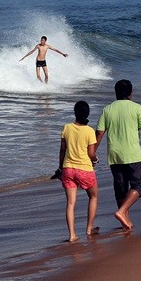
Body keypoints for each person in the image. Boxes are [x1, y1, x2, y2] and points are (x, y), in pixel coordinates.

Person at [93, 80, 141, 232]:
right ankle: (121, 212)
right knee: (139, 185)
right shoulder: (137, 108)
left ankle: (126, 221)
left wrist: (91, 154)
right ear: (130, 94)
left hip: (114, 156)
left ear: (116, 93)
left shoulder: (107, 110)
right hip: (132, 155)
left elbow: (99, 134)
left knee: (121, 189)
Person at [57, 101, 99, 242]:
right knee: (93, 196)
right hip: (84, 169)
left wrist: (60, 167)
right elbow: (91, 154)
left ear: (75, 112)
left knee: (70, 203)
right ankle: (89, 229)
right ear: (87, 114)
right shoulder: (89, 131)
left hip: (68, 169)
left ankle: (72, 235)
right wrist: (95, 160)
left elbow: (62, 150)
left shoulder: (67, 128)